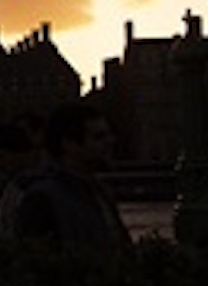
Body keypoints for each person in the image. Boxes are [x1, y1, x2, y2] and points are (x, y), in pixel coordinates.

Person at [13, 102, 131, 262]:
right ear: (69, 144)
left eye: (109, 134)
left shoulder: (100, 192)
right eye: (99, 137)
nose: (111, 141)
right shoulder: (41, 199)